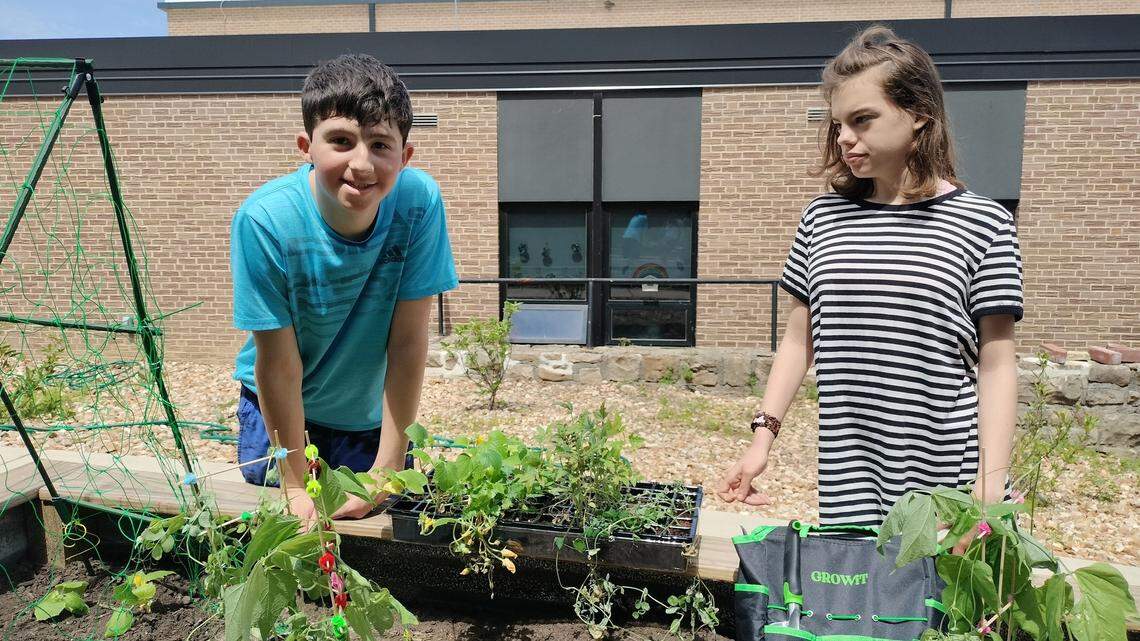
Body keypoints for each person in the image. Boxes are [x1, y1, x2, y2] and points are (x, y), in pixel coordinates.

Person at [717, 26, 1022, 544]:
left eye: (863, 119)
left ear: (920, 112)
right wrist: (761, 441)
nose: (844, 137)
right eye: (838, 123)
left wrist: (989, 483)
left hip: (949, 483)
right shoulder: (822, 219)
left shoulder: (983, 223)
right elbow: (799, 340)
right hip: (848, 476)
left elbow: (997, 364)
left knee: (942, 617)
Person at [230, 54, 458, 522]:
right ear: (306, 146)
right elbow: (279, 364)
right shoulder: (266, 221)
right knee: (287, 513)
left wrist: (388, 467)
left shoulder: (418, 203)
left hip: (366, 415)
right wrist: (295, 483)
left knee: (377, 515)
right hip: (280, 406)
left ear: (405, 156)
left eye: (380, 144)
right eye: (340, 140)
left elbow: (409, 341)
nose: (362, 162)